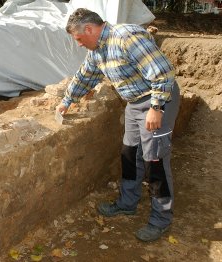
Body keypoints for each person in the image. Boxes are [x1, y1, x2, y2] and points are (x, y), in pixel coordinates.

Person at [57, 8, 180, 242]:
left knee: (154, 161)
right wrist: (67, 101)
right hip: (134, 103)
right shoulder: (97, 50)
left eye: (80, 39)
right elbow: (85, 76)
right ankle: (127, 203)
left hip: (157, 99)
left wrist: (156, 108)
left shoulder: (126, 37)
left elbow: (163, 72)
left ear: (90, 29)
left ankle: (160, 220)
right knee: (130, 154)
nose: (80, 45)